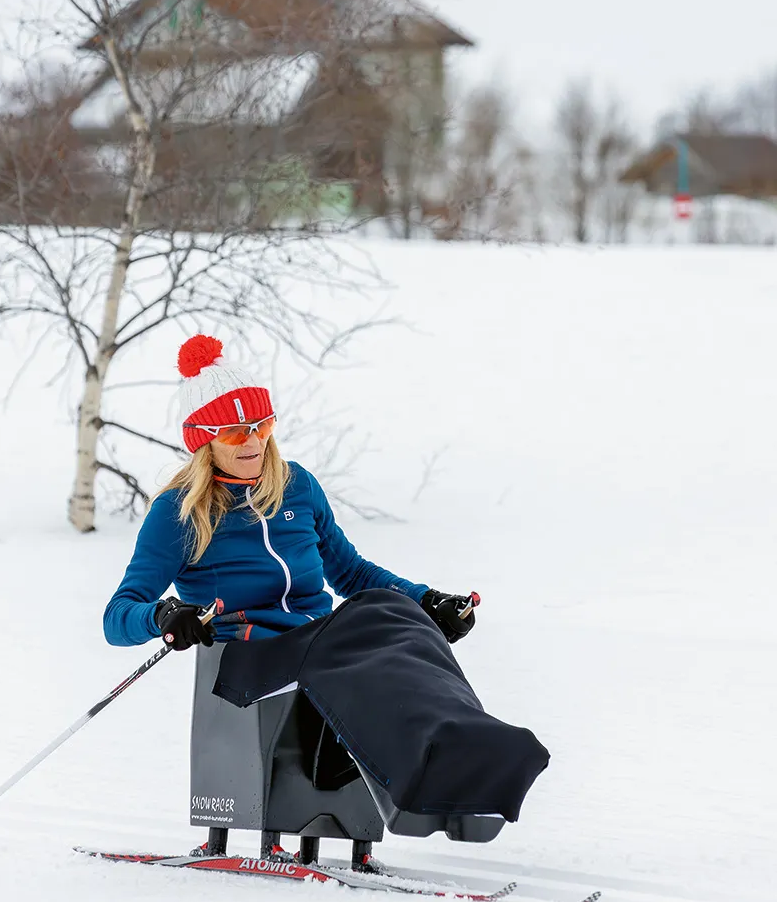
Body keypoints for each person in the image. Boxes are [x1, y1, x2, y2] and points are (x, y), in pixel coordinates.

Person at [103, 335, 548, 826]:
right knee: (380, 616)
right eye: (233, 433)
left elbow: (351, 573)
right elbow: (118, 616)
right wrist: (166, 616)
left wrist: (428, 604)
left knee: (395, 612)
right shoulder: (180, 512)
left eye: (261, 425)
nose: (252, 441)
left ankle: (466, 745)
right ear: (204, 441)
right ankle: (428, 773)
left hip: (318, 643)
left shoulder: (297, 487)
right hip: (249, 657)